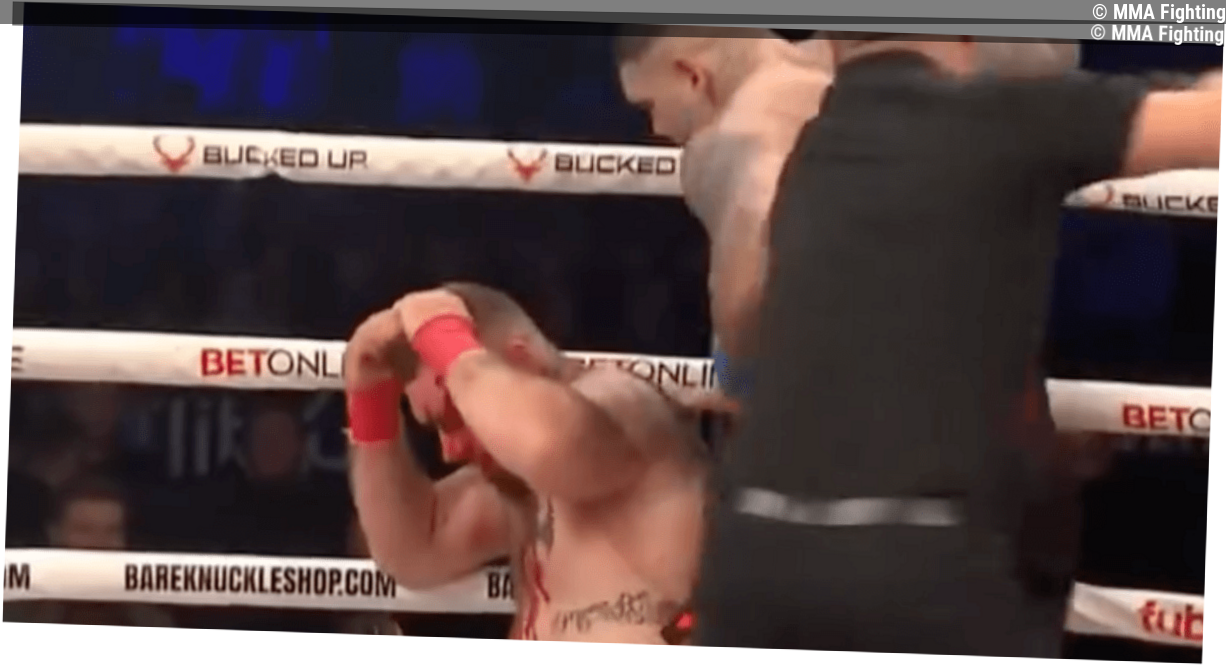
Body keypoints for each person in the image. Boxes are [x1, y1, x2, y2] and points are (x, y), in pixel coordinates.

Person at [692, 34, 1221, 656]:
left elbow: (747, 324)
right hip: (921, 566)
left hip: (747, 553)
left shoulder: (814, 142)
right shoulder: (1004, 114)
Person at [345, 283, 720, 644]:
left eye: (454, 415)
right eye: (437, 427)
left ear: (519, 360)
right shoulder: (519, 486)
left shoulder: (624, 406)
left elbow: (549, 443)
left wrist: (446, 342)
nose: (449, 450)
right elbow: (414, 551)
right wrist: (368, 395)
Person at [614, 26, 834, 401]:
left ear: (692, 76)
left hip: (828, 385)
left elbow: (743, 317)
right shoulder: (840, 60)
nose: (657, 128)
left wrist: (737, 385)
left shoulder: (729, 141)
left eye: (650, 106)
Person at [2, 476, 177, 629]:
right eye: (84, 530)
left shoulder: (151, 619)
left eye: (112, 531)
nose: (99, 544)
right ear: (55, 534)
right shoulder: (17, 612)